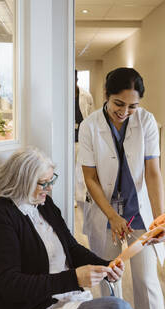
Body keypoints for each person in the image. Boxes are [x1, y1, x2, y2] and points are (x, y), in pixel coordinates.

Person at [0, 147, 151, 309]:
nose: (49, 188)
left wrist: (105, 266)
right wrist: (74, 279)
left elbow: (71, 248)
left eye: (51, 180)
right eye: (43, 183)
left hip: (62, 298)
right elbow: (12, 286)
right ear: (23, 182)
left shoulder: (43, 205)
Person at [78, 67, 165, 309]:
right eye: (119, 103)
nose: (125, 111)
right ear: (106, 94)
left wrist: (160, 218)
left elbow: (152, 173)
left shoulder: (146, 121)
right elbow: (90, 178)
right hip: (105, 214)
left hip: (138, 212)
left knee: (147, 280)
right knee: (110, 281)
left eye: (132, 105)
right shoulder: (89, 126)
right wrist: (113, 216)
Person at [75, 70, 94, 207]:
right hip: (68, 139)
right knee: (70, 170)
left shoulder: (86, 95)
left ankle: (83, 196)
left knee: (83, 169)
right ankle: (73, 197)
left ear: (76, 79)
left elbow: (92, 117)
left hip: (83, 138)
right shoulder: (61, 94)